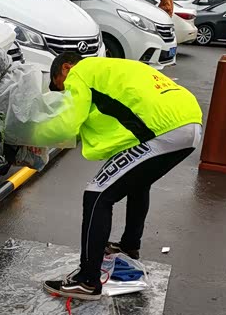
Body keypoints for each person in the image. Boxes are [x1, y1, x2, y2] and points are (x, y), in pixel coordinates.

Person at [27, 54, 203, 299]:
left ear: (66, 68)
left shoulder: (80, 72)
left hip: (166, 130)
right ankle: (129, 246)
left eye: (61, 87)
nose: (66, 94)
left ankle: (87, 281)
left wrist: (30, 134)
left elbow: (67, 123)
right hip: (190, 121)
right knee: (138, 182)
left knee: (97, 194)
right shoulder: (109, 67)